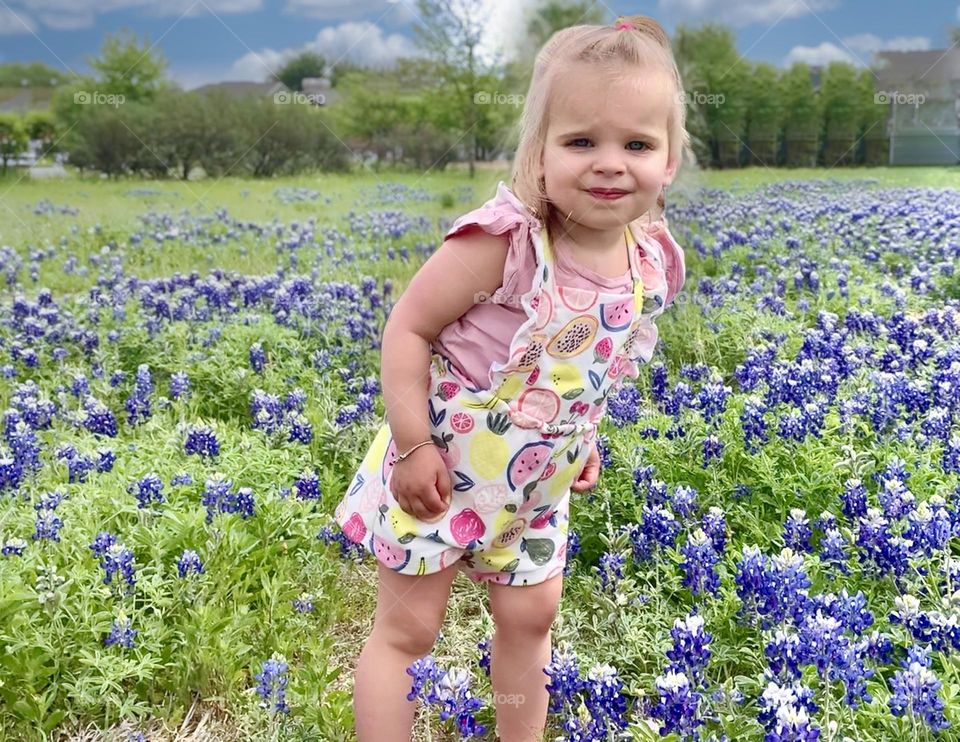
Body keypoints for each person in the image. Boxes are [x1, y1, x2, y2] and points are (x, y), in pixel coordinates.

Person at [334, 14, 690, 742]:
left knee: (532, 618)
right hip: (440, 468)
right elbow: (408, 329)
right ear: (539, 155)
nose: (610, 164)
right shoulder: (508, 243)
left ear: (670, 161)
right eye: (581, 141)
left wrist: (583, 436)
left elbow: (591, 365)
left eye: (637, 144)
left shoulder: (648, 258)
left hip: (538, 483)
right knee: (410, 630)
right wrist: (412, 446)